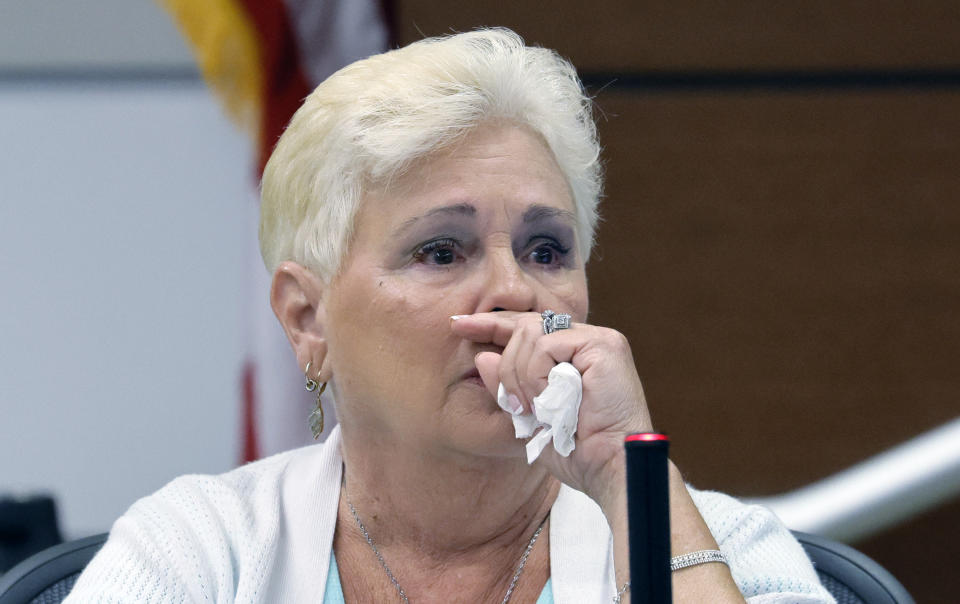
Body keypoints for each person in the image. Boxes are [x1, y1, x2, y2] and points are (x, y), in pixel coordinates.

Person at [67, 29, 834, 603]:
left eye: (545, 250)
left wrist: (627, 473)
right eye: (441, 251)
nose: (515, 291)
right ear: (308, 319)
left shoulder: (717, 544)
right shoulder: (200, 550)